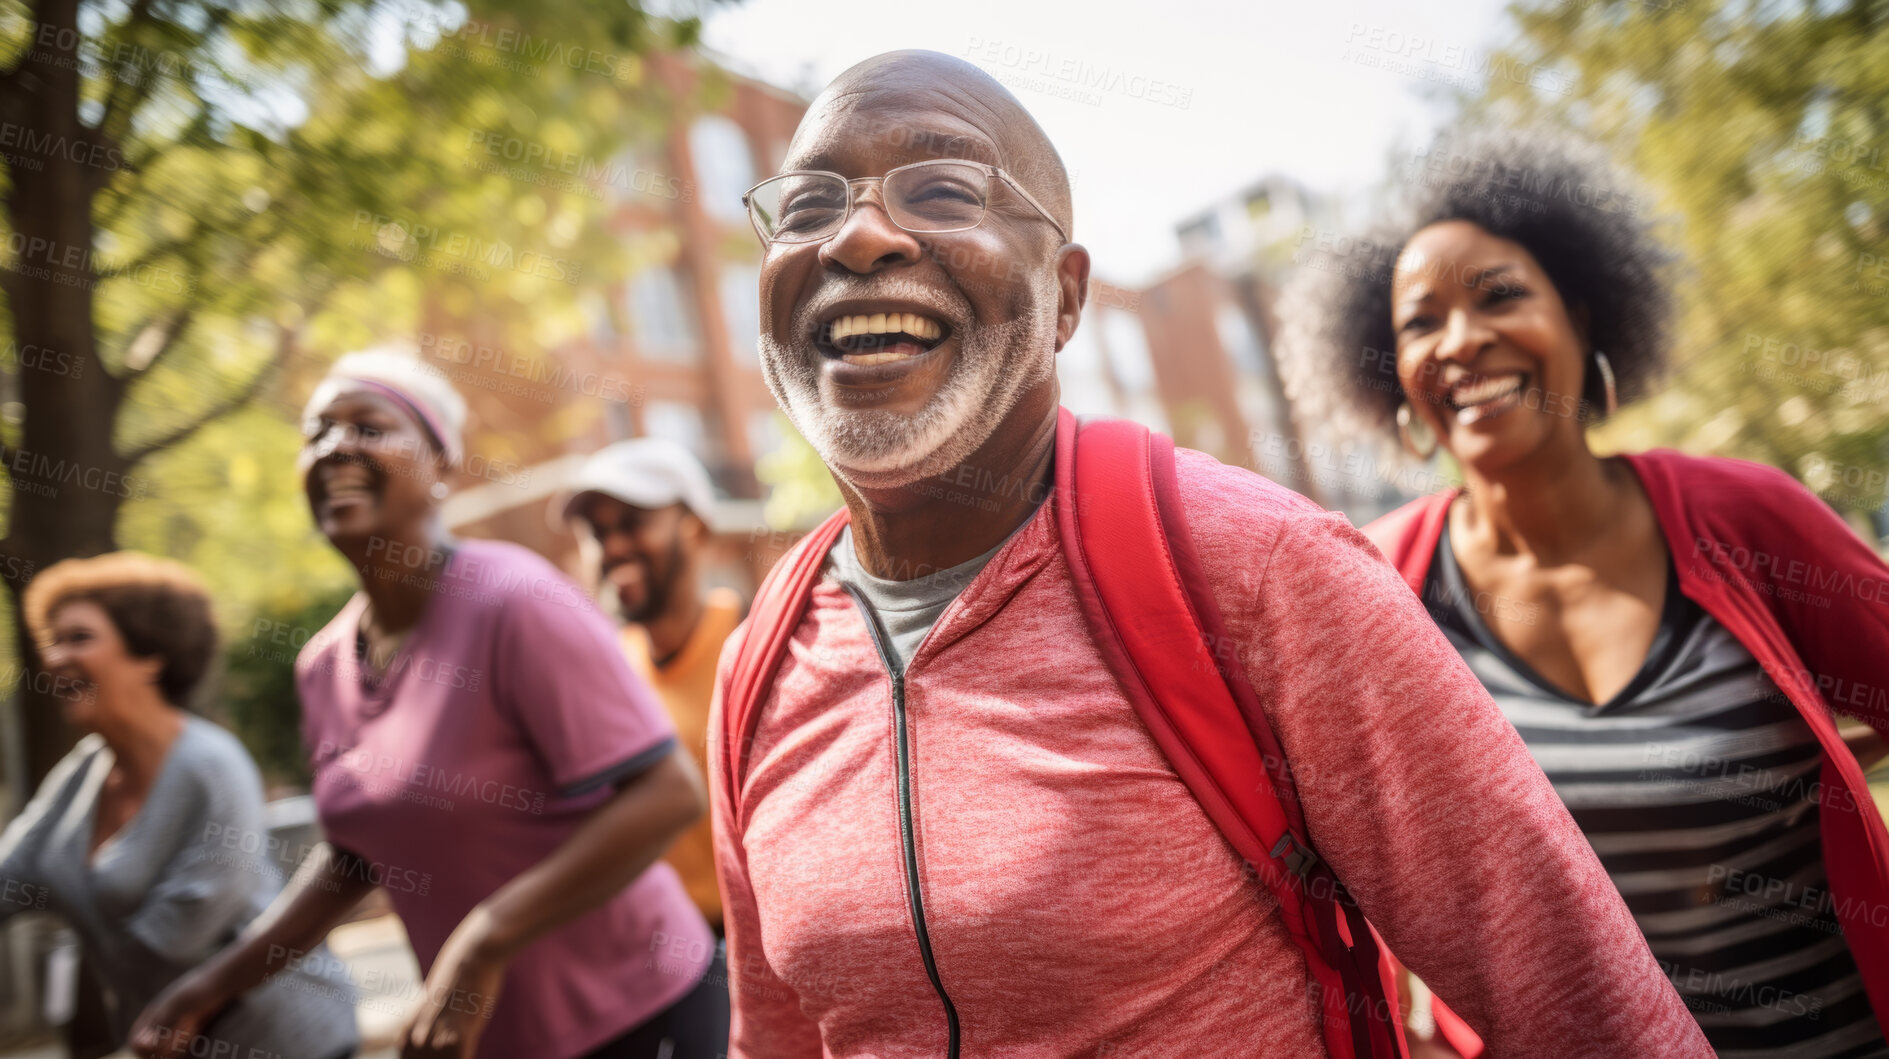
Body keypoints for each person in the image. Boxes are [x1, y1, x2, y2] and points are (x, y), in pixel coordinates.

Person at [709, 50, 1709, 1058]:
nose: (860, 234)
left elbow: (1589, 1012)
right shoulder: (757, 665)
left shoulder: (1261, 569)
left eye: (941, 189)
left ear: (1063, 300)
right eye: (806, 206)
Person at [1274, 127, 1889, 1057]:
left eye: (1499, 296)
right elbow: (1327, 847)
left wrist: (1802, 753)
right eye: (1418, 322)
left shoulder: (1742, 513)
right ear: (1388, 375)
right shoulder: (1373, 583)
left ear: (1584, 317)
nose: (1461, 340)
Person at [132, 351, 726, 1059]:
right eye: (316, 432)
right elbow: (357, 857)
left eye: (368, 426)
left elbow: (666, 794)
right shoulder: (322, 664)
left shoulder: (516, 601)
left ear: (441, 464)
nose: (336, 446)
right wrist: (211, 986)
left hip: (643, 1011)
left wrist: (483, 941)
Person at [0, 552, 357, 1059]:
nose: (54, 658)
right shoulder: (84, 771)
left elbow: (177, 935)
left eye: (78, 638)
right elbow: (11, 874)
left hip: (284, 1039)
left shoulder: (209, 764)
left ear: (148, 654)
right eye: (51, 642)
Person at [564, 438, 738, 932]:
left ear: (696, 529)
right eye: (596, 531)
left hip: (761, 948)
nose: (613, 546)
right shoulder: (605, 671)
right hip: (658, 956)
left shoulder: (762, 642)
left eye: (633, 523)